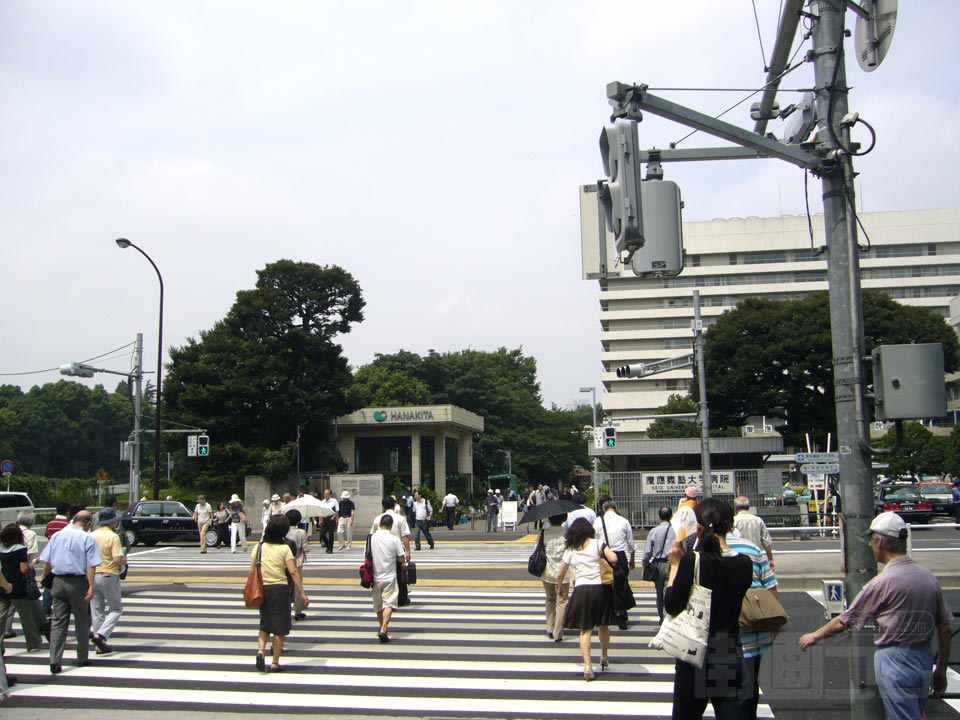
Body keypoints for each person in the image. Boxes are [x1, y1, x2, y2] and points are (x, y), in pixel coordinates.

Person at [799, 511, 952, 720]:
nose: (871, 546)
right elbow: (945, 627)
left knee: (903, 716)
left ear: (879, 542)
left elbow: (846, 620)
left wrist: (815, 635)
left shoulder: (881, 583)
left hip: (894, 658)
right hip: (924, 657)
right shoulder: (928, 578)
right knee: (914, 712)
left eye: (871, 541)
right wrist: (941, 669)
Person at [664, 497, 753, 719]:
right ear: (730, 525)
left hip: (694, 651)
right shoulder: (744, 563)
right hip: (727, 648)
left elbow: (672, 605)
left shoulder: (691, 561)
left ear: (699, 527)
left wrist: (674, 567)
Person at [556, 517, 619, 681]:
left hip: (581, 590)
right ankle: (604, 655)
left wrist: (560, 587)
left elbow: (560, 572)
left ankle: (587, 666)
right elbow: (613, 559)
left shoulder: (571, 549)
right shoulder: (598, 543)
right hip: (600, 589)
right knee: (603, 625)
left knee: (585, 630)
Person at [39, 510, 102, 674]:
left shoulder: (57, 536)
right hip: (77, 582)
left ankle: (54, 660)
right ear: (88, 524)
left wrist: (45, 578)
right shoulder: (87, 538)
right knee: (81, 620)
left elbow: (47, 560)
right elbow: (90, 565)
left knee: (58, 622)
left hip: (58, 581)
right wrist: (91, 586)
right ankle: (82, 657)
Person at [726, 529, 779, 720]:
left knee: (727, 694)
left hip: (721, 635)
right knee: (749, 687)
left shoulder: (705, 549)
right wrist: (773, 626)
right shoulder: (752, 548)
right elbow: (771, 588)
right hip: (753, 631)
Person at [254, 515, 309, 672]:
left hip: (263, 588)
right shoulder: (284, 548)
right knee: (280, 627)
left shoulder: (258, 548)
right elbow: (292, 571)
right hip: (280, 588)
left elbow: (253, 569)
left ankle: (260, 651)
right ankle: (275, 662)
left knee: (265, 623)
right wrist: (302, 592)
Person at [0, 523, 43, 655]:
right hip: (18, 585)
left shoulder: (1, 549)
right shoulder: (20, 550)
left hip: (3, 584)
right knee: (26, 617)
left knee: (1, 616)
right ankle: (33, 642)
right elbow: (23, 568)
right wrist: (32, 564)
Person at [594, 500, 636, 630]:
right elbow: (630, 543)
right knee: (621, 584)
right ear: (615, 508)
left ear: (603, 509)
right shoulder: (623, 521)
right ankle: (621, 615)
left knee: (604, 584)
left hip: (604, 554)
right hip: (620, 556)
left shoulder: (598, 522)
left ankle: (606, 614)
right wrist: (632, 559)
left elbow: (594, 540)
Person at [90, 508, 126, 655]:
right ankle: (101, 635)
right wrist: (124, 559)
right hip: (109, 574)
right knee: (116, 608)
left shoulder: (91, 535)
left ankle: (99, 646)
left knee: (97, 611)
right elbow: (117, 559)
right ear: (112, 522)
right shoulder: (113, 537)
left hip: (92, 574)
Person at [370, 513, 408, 642]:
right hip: (390, 575)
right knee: (389, 604)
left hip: (374, 576)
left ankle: (381, 627)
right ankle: (383, 628)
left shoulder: (371, 538)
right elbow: (401, 558)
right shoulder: (394, 539)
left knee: (378, 605)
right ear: (391, 526)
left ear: (380, 524)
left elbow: (366, 555)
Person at [370, 497, 412, 606]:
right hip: (396, 549)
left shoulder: (377, 519)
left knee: (383, 574)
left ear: (383, 506)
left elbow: (372, 536)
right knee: (400, 575)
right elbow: (405, 537)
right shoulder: (400, 518)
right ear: (394, 505)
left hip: (381, 550)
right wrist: (408, 552)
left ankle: (383, 598)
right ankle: (402, 599)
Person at [641, 506, 675, 622]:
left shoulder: (654, 531)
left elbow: (648, 552)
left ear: (659, 517)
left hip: (658, 564)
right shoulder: (676, 530)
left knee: (659, 592)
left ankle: (662, 617)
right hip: (672, 563)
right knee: (669, 591)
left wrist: (645, 563)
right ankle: (668, 617)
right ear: (671, 516)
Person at [541, 513, 570, 642]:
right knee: (561, 602)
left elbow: (539, 548)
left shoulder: (544, 533)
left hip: (547, 571)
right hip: (563, 573)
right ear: (564, 518)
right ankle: (558, 632)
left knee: (550, 599)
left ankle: (550, 628)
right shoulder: (567, 533)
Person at [732, 496, 775, 571]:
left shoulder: (733, 521)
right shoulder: (758, 520)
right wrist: (770, 559)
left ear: (735, 508)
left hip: (738, 558)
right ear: (748, 507)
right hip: (756, 557)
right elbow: (766, 542)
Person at [284, 510, 310, 621]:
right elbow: (306, 549)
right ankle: (298, 611)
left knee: (284, 585)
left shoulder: (283, 531)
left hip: (283, 561)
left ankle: (284, 609)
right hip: (297, 561)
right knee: (297, 586)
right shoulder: (301, 532)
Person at [673, 485, 699, 552]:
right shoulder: (697, 504)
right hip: (696, 531)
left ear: (686, 495)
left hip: (686, 532)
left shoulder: (684, 505)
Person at [319, 489, 339, 554]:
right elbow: (321, 512)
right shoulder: (322, 501)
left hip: (331, 518)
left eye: (327, 494)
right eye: (325, 493)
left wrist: (334, 517)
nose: (325, 495)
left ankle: (330, 549)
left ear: (330, 494)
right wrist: (320, 520)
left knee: (331, 534)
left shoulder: (334, 501)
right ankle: (328, 545)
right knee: (322, 533)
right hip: (325, 518)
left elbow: (337, 510)